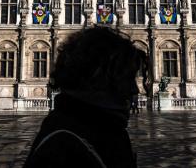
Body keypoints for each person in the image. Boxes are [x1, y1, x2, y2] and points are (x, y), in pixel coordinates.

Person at [24, 27, 144, 168]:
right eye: (125, 78)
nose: (134, 89)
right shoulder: (62, 144)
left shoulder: (108, 128)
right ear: (97, 77)